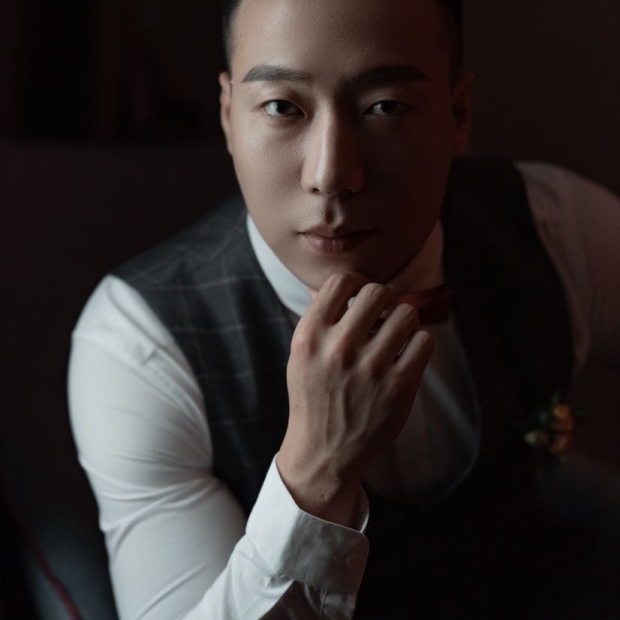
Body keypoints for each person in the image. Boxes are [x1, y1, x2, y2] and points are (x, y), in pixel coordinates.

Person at [68, 0, 620, 618]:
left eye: (385, 107)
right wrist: (317, 473)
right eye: (283, 107)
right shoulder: (139, 346)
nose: (331, 175)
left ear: (458, 114)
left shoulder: (554, 228)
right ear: (228, 115)